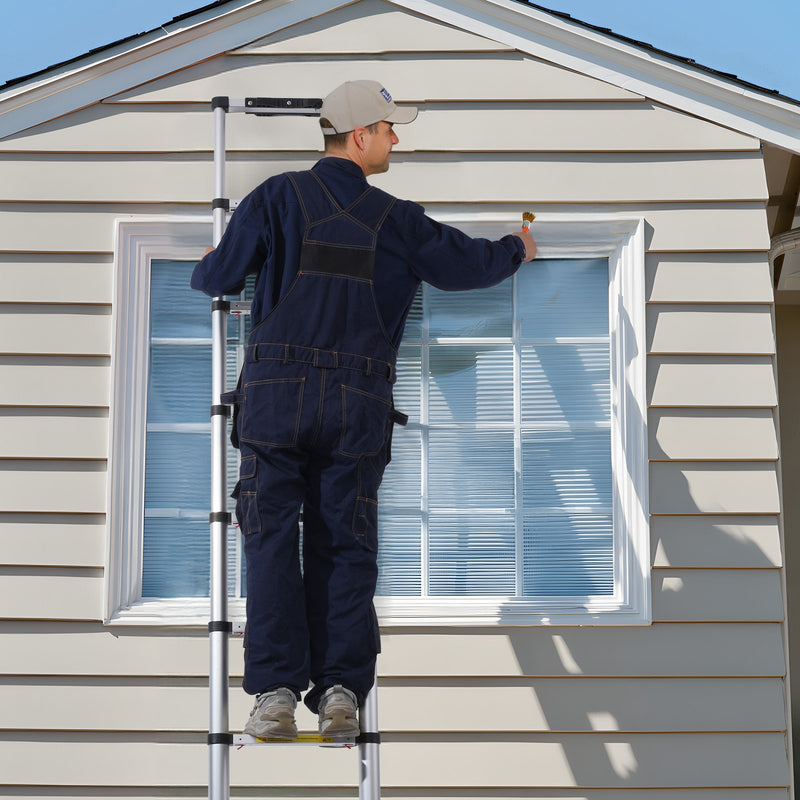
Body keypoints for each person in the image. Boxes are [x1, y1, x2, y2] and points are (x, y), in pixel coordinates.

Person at [191, 79, 537, 740]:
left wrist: (210, 264)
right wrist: (518, 246)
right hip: (356, 405)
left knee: (270, 539)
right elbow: (467, 265)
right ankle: (340, 692)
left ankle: (275, 695)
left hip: (275, 399)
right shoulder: (396, 219)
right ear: (359, 136)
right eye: (388, 129)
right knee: (345, 544)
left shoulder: (276, 198)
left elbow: (219, 277)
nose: (395, 139)